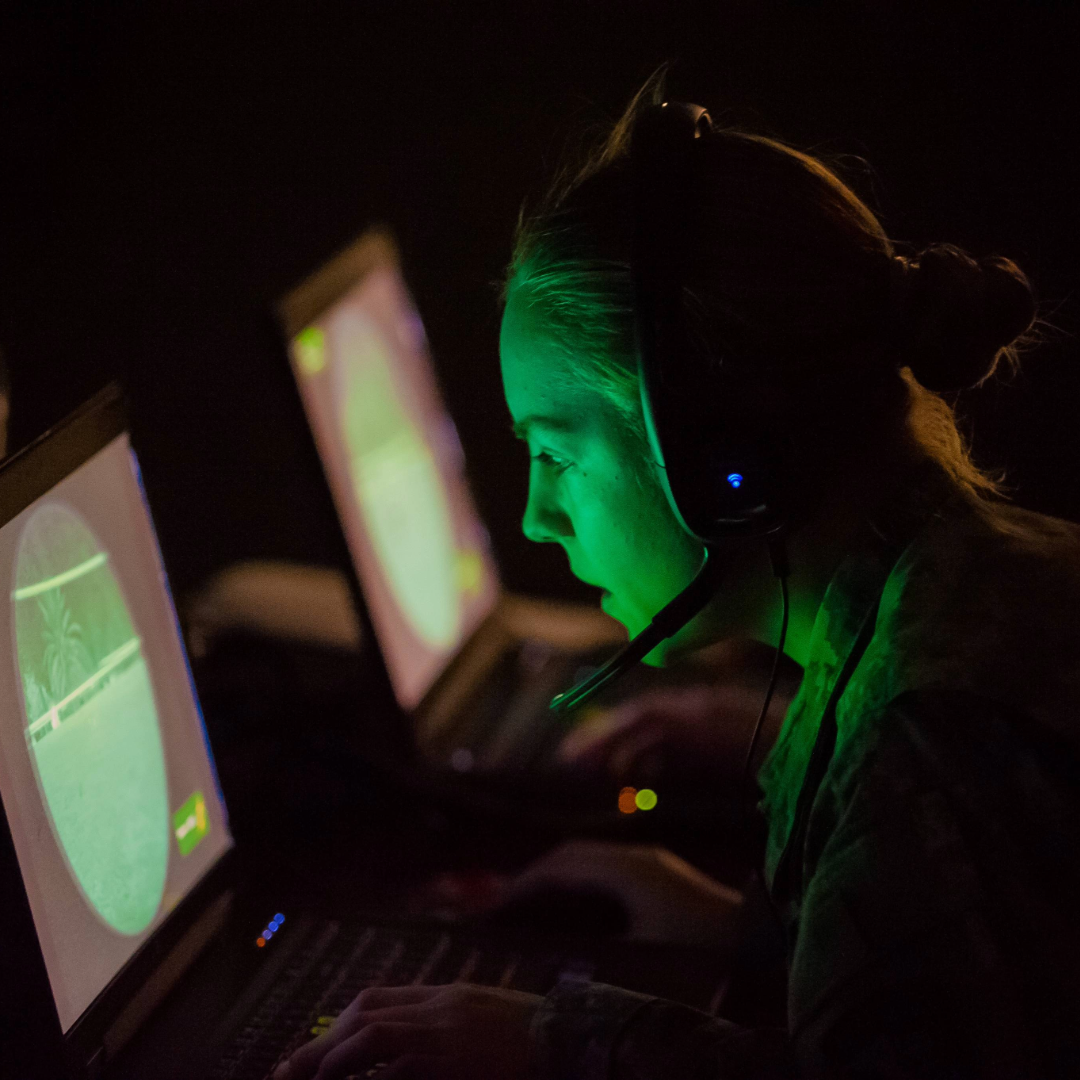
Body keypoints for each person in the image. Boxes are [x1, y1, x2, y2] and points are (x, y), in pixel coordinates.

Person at [275, 78, 1080, 1079]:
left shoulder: (925, 746)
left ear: (721, 454)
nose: (535, 515)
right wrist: (739, 926)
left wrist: (559, 1040)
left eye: (559, 454)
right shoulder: (958, 595)